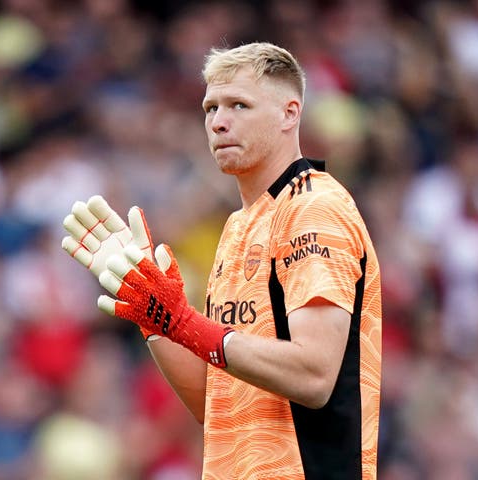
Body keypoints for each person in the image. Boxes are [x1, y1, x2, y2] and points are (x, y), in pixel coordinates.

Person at [62, 42, 382, 480]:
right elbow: (213, 402)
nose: (219, 121)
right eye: (210, 108)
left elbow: (314, 375)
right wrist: (151, 313)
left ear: (290, 114)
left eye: (239, 105)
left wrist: (184, 323)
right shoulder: (237, 228)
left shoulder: (313, 207)